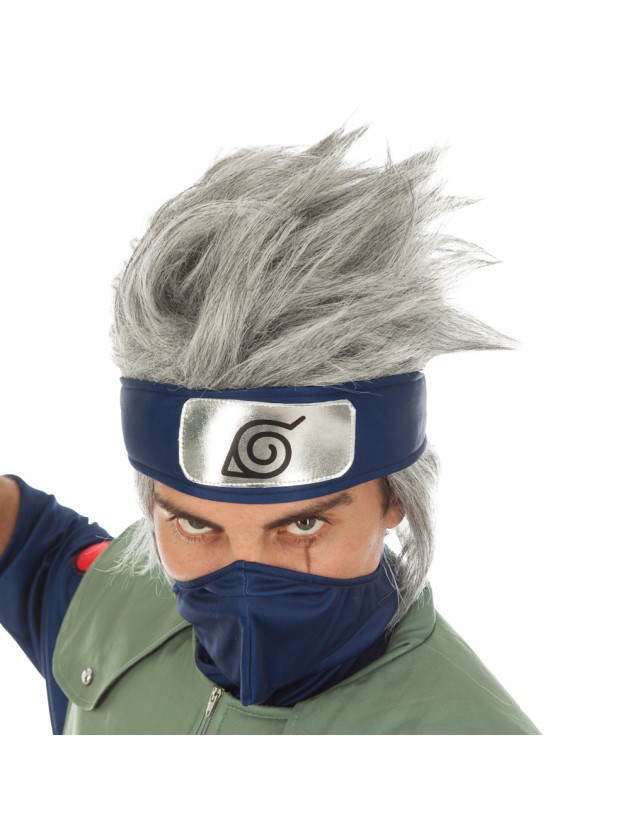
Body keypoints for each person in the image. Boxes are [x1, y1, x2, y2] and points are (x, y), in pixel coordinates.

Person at [0, 124, 540, 734]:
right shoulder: (127, 606)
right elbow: (34, 549)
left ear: (395, 497)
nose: (246, 585)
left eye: (302, 525)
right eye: (196, 525)